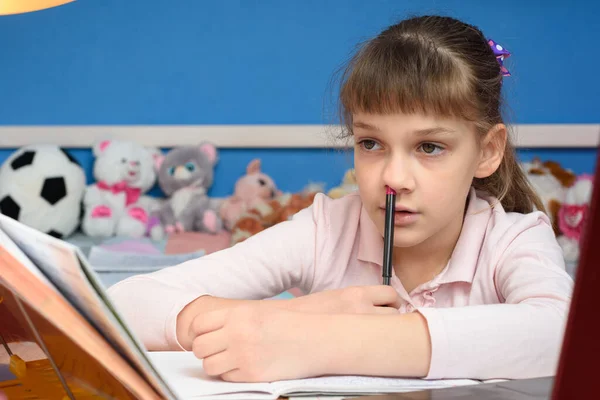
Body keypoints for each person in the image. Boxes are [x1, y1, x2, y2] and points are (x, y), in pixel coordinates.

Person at [107, 15, 574, 383]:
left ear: (487, 151)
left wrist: (328, 340)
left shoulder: (512, 238)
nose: (393, 178)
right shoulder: (328, 229)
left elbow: (561, 335)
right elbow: (123, 304)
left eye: (429, 147)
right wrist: (292, 315)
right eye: (371, 143)